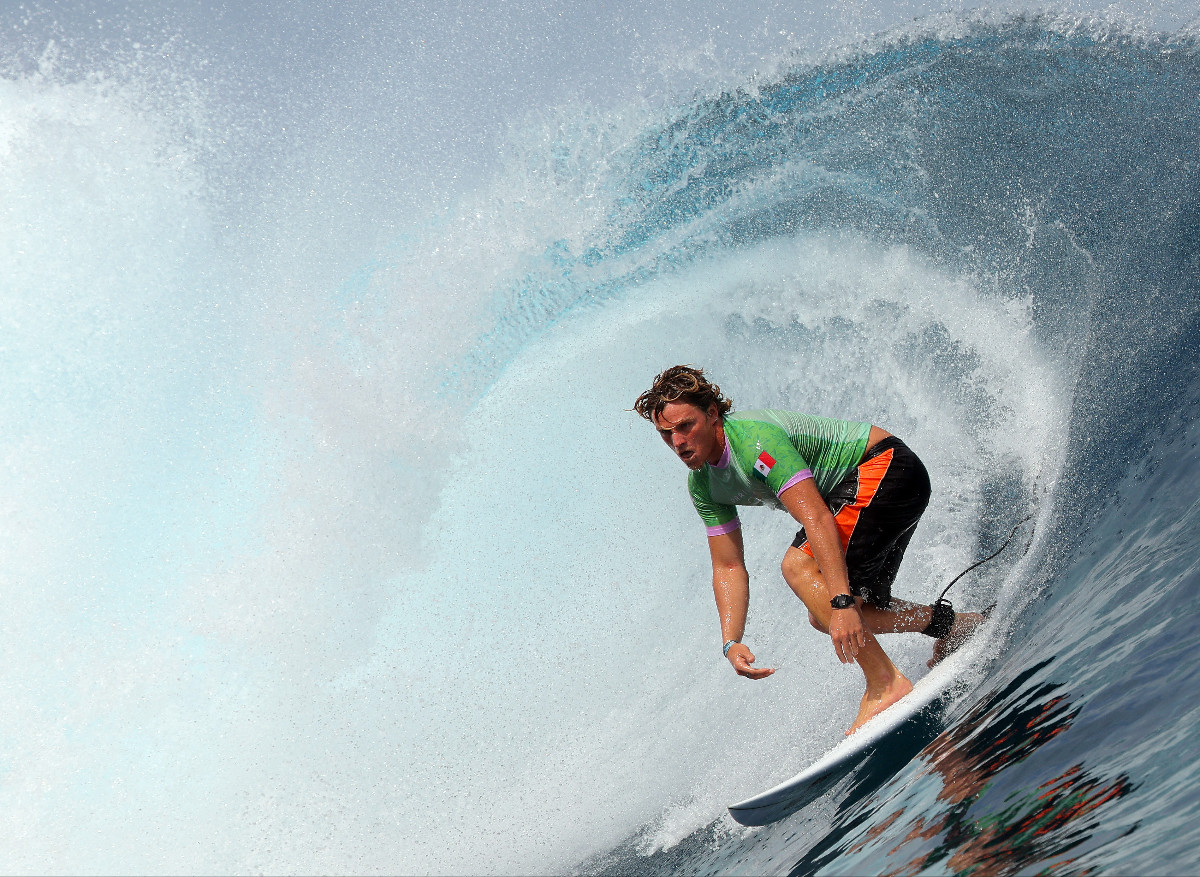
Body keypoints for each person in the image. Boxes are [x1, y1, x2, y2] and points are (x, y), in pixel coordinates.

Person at [633, 365, 983, 734]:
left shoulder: (754, 442)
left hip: (886, 468)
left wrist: (843, 602)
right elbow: (728, 566)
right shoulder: (703, 484)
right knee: (826, 616)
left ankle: (885, 683)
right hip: (869, 488)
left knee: (801, 570)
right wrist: (730, 642)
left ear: (713, 414)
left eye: (685, 426)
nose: (677, 442)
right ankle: (954, 626)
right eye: (665, 434)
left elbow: (815, 516)